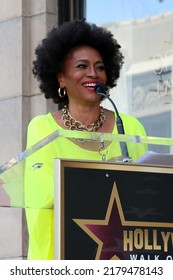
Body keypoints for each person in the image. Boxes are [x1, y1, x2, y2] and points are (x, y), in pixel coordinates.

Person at [25, 19, 147, 260]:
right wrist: (107, 174)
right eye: (82, 66)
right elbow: (41, 197)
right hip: (60, 262)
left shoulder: (130, 127)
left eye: (100, 67)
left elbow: (147, 195)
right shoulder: (42, 129)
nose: (93, 73)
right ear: (60, 77)